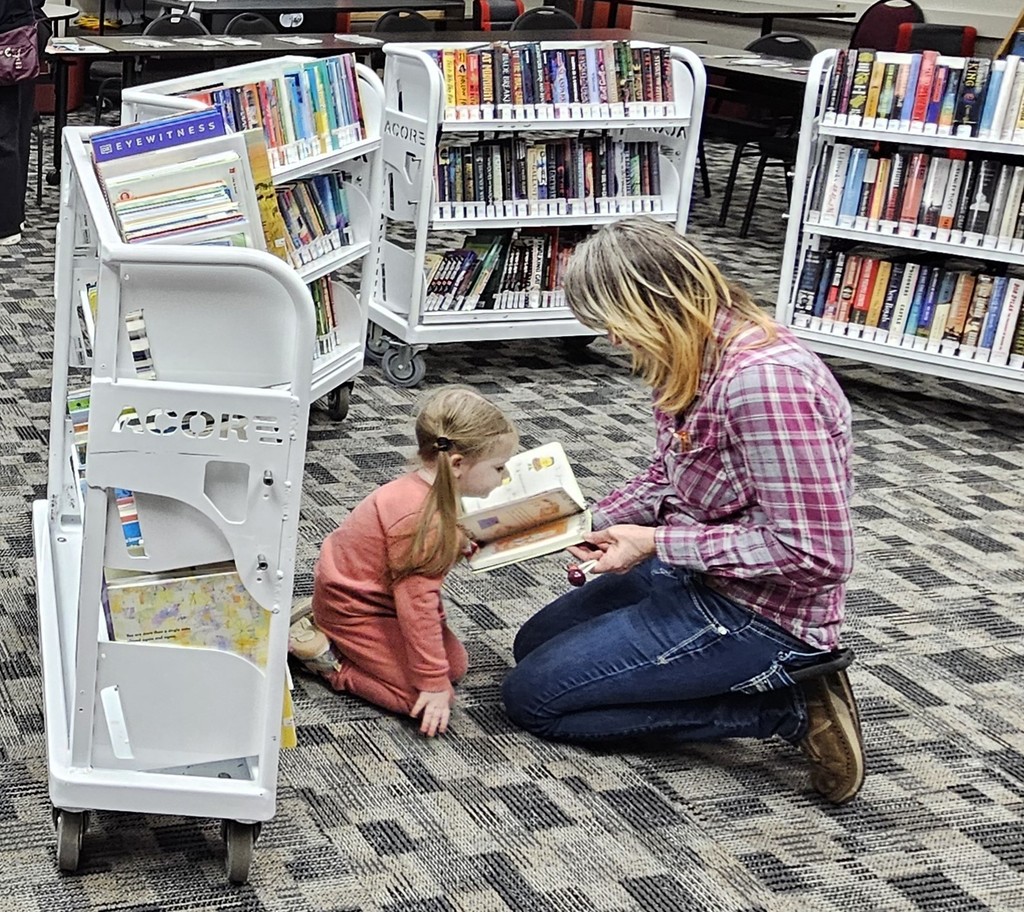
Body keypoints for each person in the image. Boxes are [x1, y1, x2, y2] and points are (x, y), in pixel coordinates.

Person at [501, 217, 865, 805]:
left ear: (654, 305)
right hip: (696, 570)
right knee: (533, 648)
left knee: (534, 700)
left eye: (615, 325)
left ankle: (786, 707)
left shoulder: (765, 386)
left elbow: (818, 555)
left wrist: (654, 544)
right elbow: (668, 473)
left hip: (758, 611)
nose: (614, 342)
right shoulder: (690, 352)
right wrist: (584, 522)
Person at [289, 385, 518, 737]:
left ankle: (330, 629)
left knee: (454, 665)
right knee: (418, 697)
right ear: (458, 464)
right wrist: (432, 684)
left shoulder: (432, 489)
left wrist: (462, 543)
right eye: (499, 467)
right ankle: (326, 659)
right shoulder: (419, 516)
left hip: (379, 597)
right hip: (354, 609)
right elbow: (418, 606)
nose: (506, 477)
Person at [0, 0, 45, 245]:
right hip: (16, 46)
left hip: (7, 44)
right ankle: (12, 218)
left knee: (5, 140)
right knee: (13, 135)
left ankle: (6, 225)